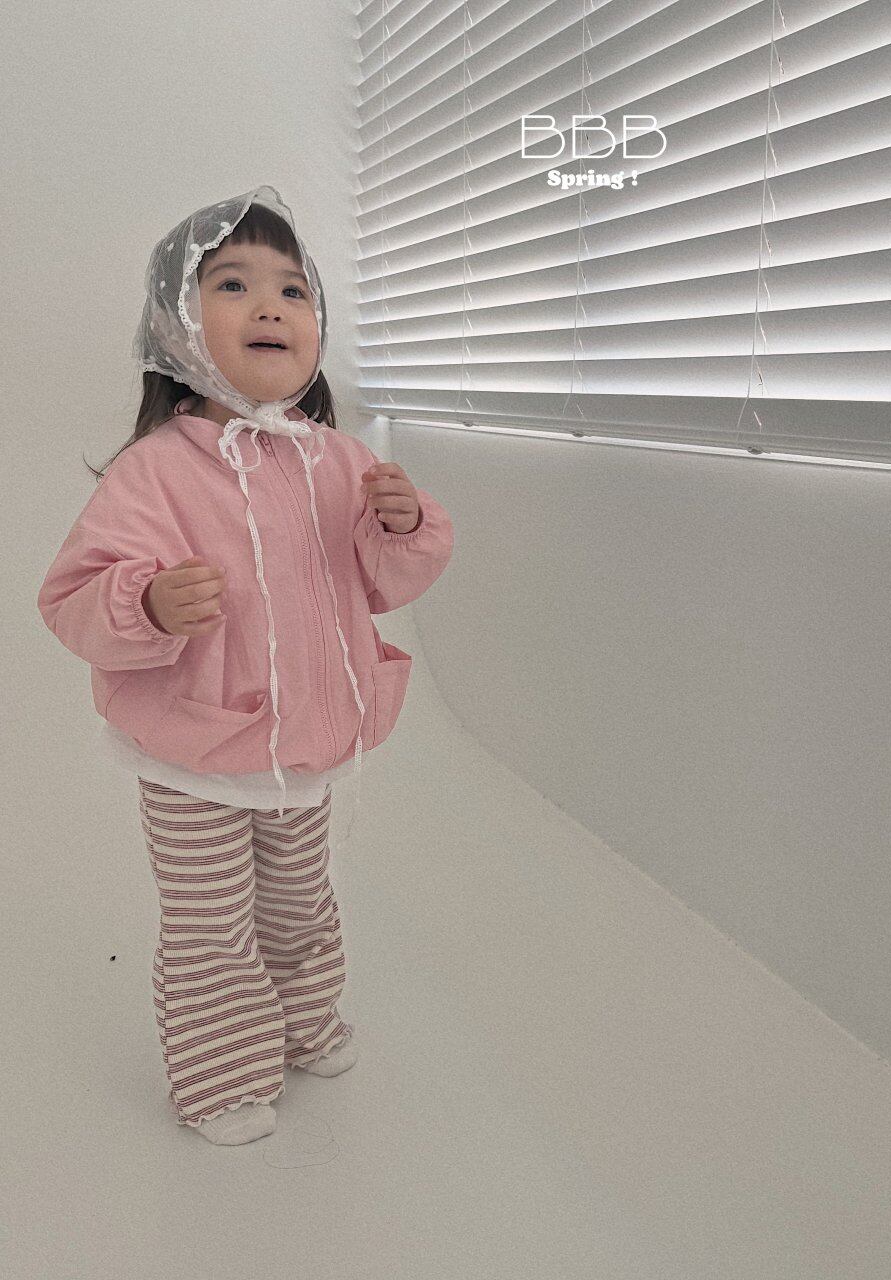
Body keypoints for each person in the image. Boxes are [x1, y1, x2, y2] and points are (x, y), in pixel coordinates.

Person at [36, 186, 454, 1146]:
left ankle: (304, 1022)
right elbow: (70, 598)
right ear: (173, 327)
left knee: (303, 899)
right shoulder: (155, 470)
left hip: (305, 745)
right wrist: (145, 604)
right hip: (195, 754)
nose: (271, 305)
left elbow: (383, 584)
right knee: (212, 927)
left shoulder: (339, 461)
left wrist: (403, 526)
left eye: (293, 290)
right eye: (231, 284)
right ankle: (222, 1076)